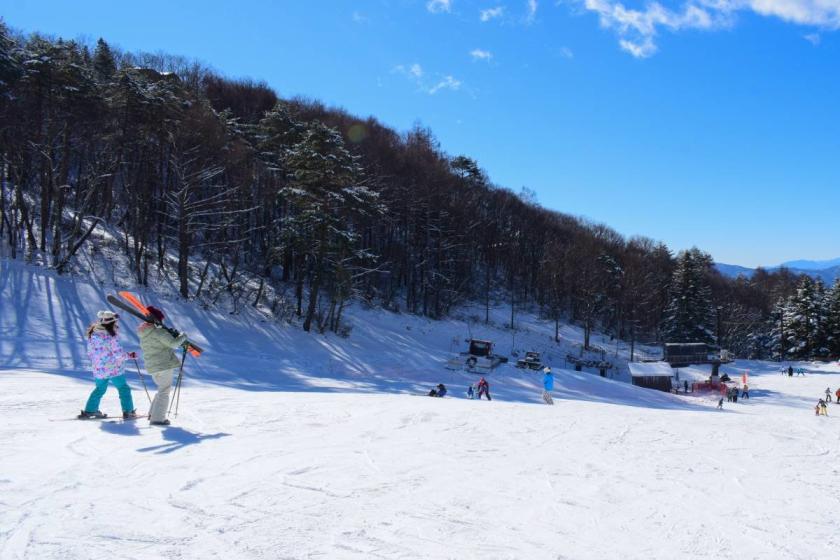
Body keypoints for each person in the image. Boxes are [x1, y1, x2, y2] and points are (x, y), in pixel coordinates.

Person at [80, 311, 138, 420]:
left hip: (99, 369)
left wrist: (98, 362)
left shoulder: (93, 334)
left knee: (100, 389)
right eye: (115, 322)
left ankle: (90, 410)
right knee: (123, 388)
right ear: (111, 323)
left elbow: (90, 352)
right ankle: (128, 411)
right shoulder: (111, 336)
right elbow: (118, 354)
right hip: (113, 369)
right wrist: (129, 356)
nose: (116, 325)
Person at [139, 305, 188, 426]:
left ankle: (153, 414)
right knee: (164, 391)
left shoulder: (144, 333)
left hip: (152, 366)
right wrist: (183, 336)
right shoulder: (159, 332)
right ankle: (158, 419)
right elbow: (173, 344)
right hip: (164, 365)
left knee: (161, 390)